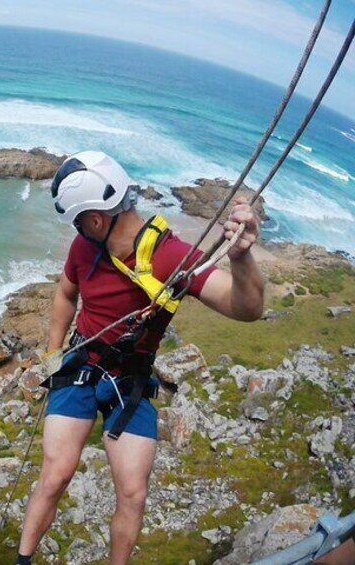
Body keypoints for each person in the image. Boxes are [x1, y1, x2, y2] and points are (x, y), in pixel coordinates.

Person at [15, 151, 264, 564]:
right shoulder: (83, 248)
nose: (77, 230)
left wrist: (241, 258)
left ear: (95, 219)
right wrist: (52, 353)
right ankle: (22, 559)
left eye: (79, 221)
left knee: (133, 492)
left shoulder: (171, 258)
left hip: (127, 381)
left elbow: (246, 308)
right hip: (81, 364)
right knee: (55, 473)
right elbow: (65, 293)